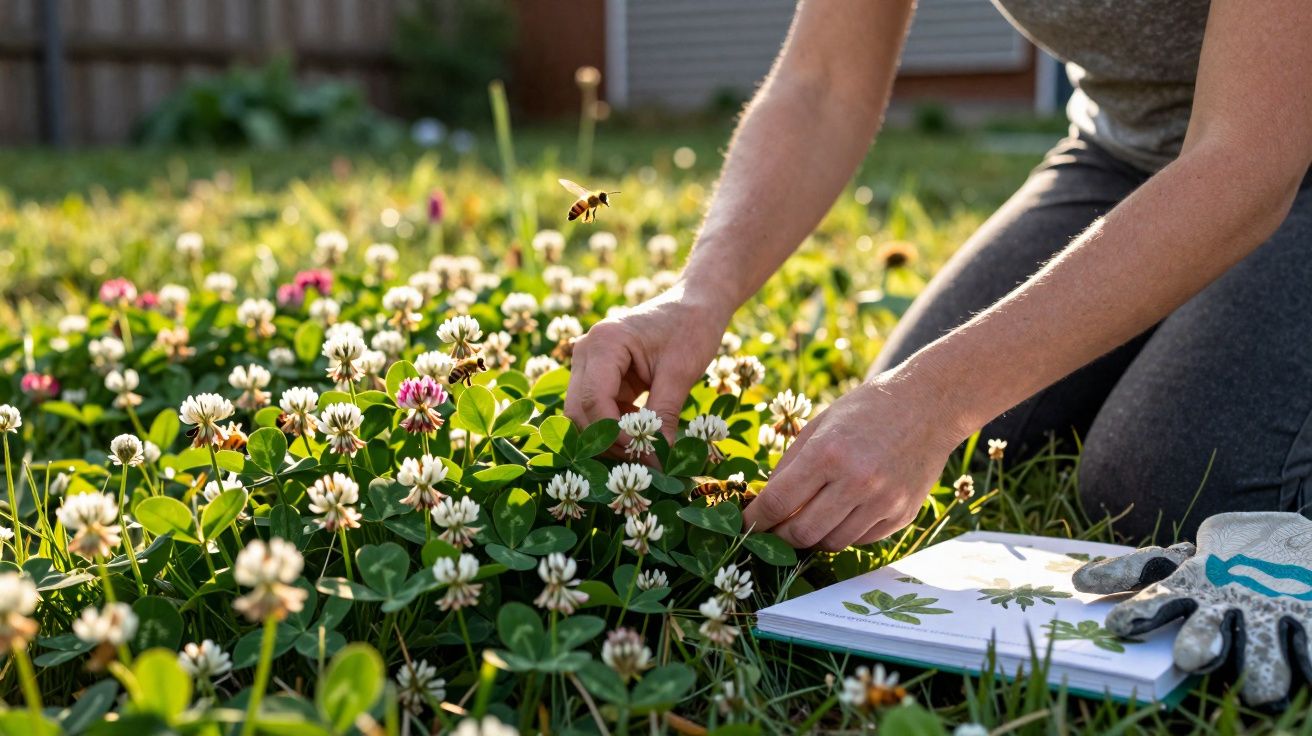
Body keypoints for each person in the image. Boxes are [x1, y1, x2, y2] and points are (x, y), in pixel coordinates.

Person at [564, 0, 1312, 550]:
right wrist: (700, 293)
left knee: (1168, 480)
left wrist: (937, 398)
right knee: (956, 434)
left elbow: (1248, 159)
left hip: (1275, 150)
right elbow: (822, 83)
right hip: (1127, 149)